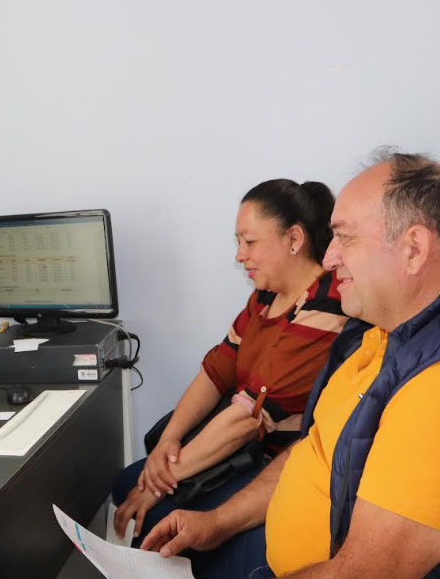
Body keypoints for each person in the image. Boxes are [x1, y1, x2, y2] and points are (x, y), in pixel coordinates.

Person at [141, 150, 440, 579]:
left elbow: (367, 572)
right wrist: (217, 522)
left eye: (345, 237)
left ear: (413, 249)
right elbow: (318, 447)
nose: (329, 257)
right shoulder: (387, 327)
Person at [112, 179, 349, 576]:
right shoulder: (265, 297)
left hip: (275, 465)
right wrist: (169, 438)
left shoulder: (327, 304)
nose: (240, 255)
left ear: (294, 239)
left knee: (151, 504)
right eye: (238, 242)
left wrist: (158, 482)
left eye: (249, 242)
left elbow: (248, 418)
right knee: (128, 483)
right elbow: (216, 371)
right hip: (242, 454)